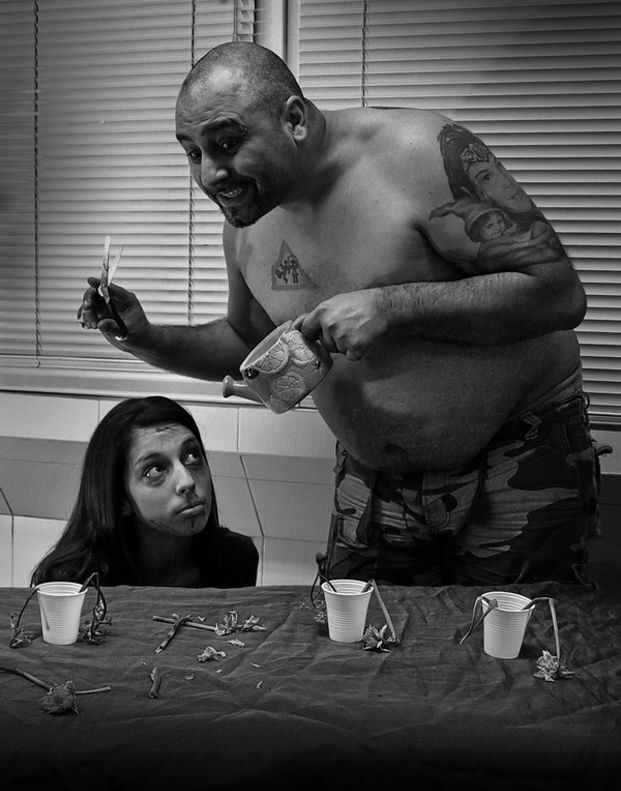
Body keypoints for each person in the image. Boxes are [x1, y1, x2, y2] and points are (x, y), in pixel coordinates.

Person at [79, 41, 606, 587]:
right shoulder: (247, 222)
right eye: (193, 153)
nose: (211, 174)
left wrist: (393, 308)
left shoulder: (418, 154)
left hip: (515, 461)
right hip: (375, 486)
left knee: (512, 641)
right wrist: (145, 337)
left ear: (294, 120)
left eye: (228, 143)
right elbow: (247, 341)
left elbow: (557, 294)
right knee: (357, 639)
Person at [31, 396, 258, 588]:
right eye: (155, 470)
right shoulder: (73, 580)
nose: (187, 482)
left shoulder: (235, 559)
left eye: (192, 456)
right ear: (120, 498)